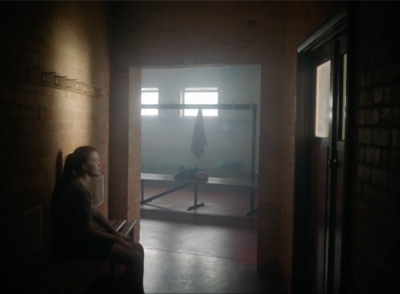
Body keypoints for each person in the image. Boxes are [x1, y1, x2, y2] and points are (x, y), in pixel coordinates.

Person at [51, 146, 144, 294]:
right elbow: (89, 230)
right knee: (134, 258)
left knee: (138, 248)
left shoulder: (79, 185)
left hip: (82, 240)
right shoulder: (78, 191)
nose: (100, 164)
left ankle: (132, 289)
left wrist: (116, 234)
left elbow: (96, 213)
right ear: (84, 166)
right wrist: (116, 239)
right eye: (95, 161)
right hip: (76, 245)